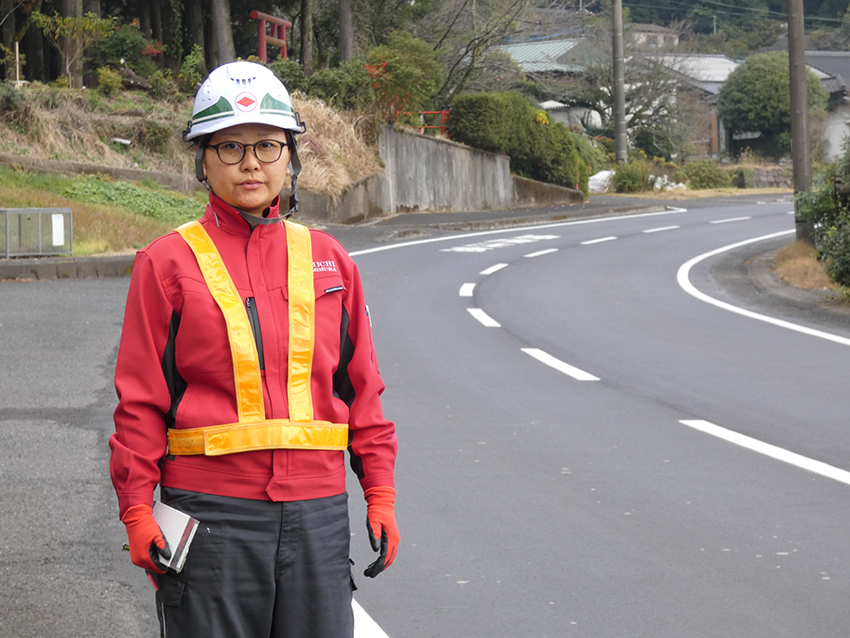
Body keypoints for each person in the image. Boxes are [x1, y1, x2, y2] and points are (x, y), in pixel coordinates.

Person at [109, 60, 399, 638]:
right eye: (228, 147)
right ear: (202, 160)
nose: (250, 163)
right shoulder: (165, 263)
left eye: (267, 145)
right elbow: (140, 402)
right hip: (210, 516)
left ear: (290, 155)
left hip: (317, 513)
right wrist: (137, 508)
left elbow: (362, 390)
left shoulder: (331, 261)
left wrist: (380, 491)